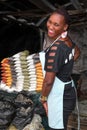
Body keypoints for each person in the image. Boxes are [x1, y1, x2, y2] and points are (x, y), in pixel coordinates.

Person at [40, 8, 80, 130]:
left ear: (65, 27)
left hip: (60, 96)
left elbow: (48, 81)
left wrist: (43, 98)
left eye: (56, 24)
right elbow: (77, 53)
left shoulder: (56, 49)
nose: (50, 26)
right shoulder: (66, 41)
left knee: (56, 127)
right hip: (66, 90)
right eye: (50, 21)